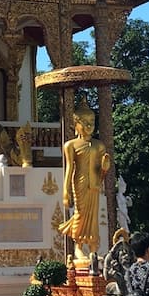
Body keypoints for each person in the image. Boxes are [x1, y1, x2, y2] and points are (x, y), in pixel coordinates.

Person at [59, 102, 110, 257]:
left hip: (94, 184)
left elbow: (101, 171)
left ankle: (93, 247)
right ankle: (79, 246)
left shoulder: (99, 145)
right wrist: (65, 191)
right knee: (80, 213)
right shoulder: (71, 145)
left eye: (92, 122)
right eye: (85, 122)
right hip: (80, 183)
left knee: (93, 217)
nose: (89, 126)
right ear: (76, 124)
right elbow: (69, 168)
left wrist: (105, 167)